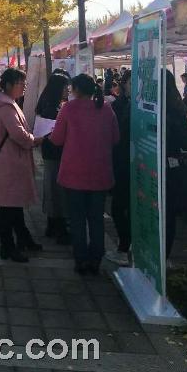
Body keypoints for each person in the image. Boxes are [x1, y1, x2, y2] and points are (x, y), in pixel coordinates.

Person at [50, 74, 119, 275]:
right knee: (96, 219)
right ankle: (96, 259)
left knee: (77, 219)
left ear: (76, 89)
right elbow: (116, 138)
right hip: (100, 172)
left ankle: (81, 260)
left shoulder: (68, 109)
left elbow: (56, 139)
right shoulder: (106, 109)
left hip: (74, 173)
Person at [0, 68, 45, 263]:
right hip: (9, 163)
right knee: (9, 208)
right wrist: (36, 139)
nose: (24, 87)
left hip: (11, 162)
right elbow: (19, 135)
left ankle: (24, 239)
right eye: (21, 84)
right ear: (9, 85)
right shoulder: (5, 108)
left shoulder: (6, 103)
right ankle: (7, 246)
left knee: (14, 205)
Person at [35, 73, 71, 245]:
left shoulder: (48, 103)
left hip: (50, 152)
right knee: (57, 190)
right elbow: (52, 132)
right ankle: (59, 227)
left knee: (52, 188)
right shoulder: (52, 107)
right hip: (54, 152)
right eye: (65, 87)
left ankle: (51, 225)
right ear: (58, 88)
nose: (67, 90)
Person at [164, 70, 187, 258]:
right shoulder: (178, 109)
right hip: (172, 166)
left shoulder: (144, 107)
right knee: (169, 214)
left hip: (152, 165)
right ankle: (164, 255)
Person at [107, 70, 132, 266]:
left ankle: (130, 246)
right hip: (121, 163)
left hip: (143, 163)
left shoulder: (154, 107)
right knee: (118, 207)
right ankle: (124, 245)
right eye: (130, 82)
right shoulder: (119, 105)